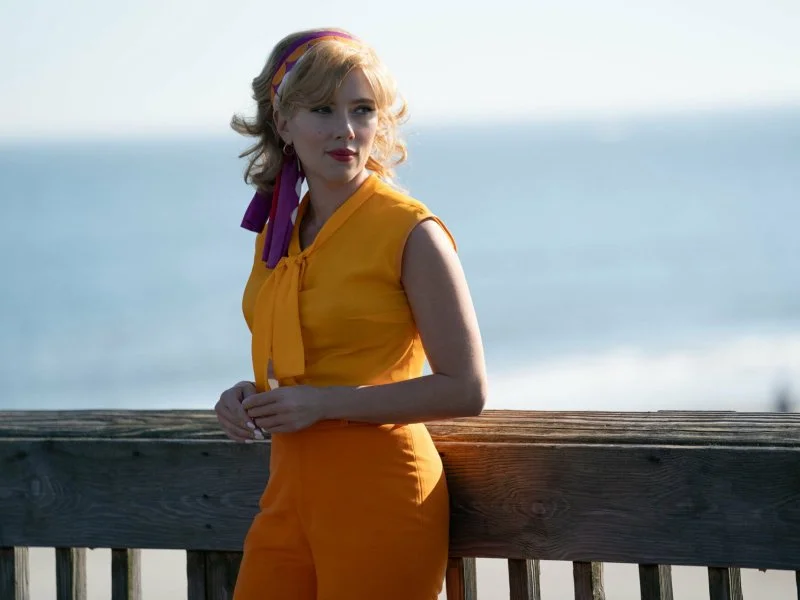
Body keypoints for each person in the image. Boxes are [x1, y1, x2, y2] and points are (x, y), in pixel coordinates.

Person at [214, 27, 487, 600]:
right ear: (283, 122)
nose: (346, 129)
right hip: (287, 494)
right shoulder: (278, 230)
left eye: (362, 109)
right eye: (322, 109)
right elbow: (305, 364)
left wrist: (324, 404)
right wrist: (248, 395)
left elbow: (466, 389)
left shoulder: (410, 230)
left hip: (381, 495)